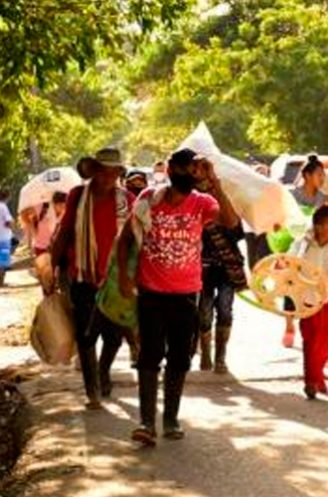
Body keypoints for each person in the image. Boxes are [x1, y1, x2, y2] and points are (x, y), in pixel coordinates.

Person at [117, 148, 238, 446]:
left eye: (196, 169)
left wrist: (215, 182)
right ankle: (146, 421)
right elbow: (125, 240)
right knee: (149, 355)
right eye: (186, 168)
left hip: (186, 295)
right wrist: (123, 276)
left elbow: (231, 222)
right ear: (171, 170)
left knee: (180, 358)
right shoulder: (149, 199)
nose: (191, 174)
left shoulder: (202, 202)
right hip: (150, 293)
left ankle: (170, 418)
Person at [51, 148, 135, 410]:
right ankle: (92, 391)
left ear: (119, 173)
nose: (108, 176)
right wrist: (52, 267)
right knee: (86, 335)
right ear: (94, 172)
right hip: (82, 274)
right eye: (104, 170)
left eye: (114, 171)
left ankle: (103, 370)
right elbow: (65, 231)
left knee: (113, 338)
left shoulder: (128, 200)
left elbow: (134, 240)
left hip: (113, 279)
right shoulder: (78, 195)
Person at [288, 205, 328, 399]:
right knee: (309, 341)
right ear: (319, 226)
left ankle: (318, 374)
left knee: (322, 344)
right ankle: (311, 381)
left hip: (327, 301)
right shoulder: (302, 244)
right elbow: (286, 263)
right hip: (306, 302)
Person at [196, 168, 245, 374]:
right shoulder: (196, 210)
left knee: (225, 309)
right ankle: (205, 351)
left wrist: (220, 194)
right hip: (203, 269)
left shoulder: (227, 209)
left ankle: (220, 357)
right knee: (204, 312)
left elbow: (237, 231)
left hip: (227, 268)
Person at [283, 155, 328, 347]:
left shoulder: (324, 199)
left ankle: (309, 328)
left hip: (315, 250)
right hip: (293, 247)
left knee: (311, 288)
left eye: (324, 175)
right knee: (290, 286)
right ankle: (288, 326)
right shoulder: (291, 195)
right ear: (307, 175)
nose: (323, 178)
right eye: (319, 174)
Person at [0, 190, 14, 287]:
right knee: (3, 259)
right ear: (6, 197)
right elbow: (8, 222)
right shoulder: (3, 207)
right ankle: (1, 282)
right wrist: (13, 224)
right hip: (3, 237)